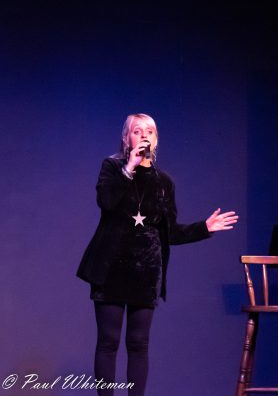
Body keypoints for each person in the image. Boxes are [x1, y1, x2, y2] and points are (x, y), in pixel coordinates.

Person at [76, 113, 238, 396]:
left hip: (146, 271)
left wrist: (204, 227)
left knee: (138, 344)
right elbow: (106, 202)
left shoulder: (164, 182)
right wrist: (129, 168)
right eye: (137, 131)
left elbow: (170, 232)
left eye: (149, 131)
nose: (144, 135)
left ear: (156, 139)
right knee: (108, 342)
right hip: (110, 268)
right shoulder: (112, 168)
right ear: (126, 138)